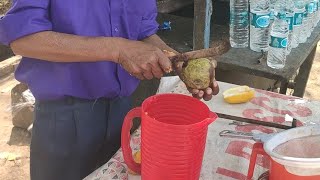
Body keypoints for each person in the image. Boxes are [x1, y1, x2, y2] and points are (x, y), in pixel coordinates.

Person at [0, 0, 219, 179]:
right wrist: (117, 49)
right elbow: (23, 39)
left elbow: (143, 33)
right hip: (64, 119)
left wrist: (178, 61)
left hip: (121, 111)